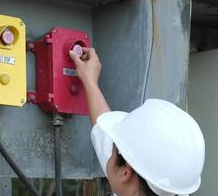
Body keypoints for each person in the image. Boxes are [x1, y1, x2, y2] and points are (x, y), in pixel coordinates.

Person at [69, 48, 205, 196]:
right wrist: (90, 81)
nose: (110, 150)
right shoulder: (161, 184)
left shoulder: (135, 175)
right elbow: (108, 138)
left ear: (126, 173)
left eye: (114, 148)